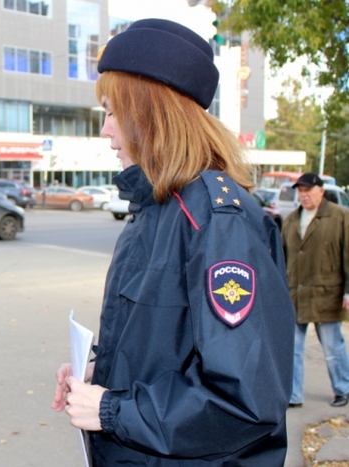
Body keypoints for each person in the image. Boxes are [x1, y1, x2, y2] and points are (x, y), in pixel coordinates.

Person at [51, 19, 295, 466]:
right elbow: (164, 351)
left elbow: (243, 399)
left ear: (150, 112)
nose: (106, 131)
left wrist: (110, 409)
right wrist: (99, 375)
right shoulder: (156, 209)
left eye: (111, 111)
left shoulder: (218, 221)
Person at [281, 173, 349, 408]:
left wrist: (348, 292)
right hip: (296, 295)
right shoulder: (291, 219)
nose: (303, 195)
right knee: (293, 350)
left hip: (326, 294)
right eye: (300, 191)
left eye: (308, 190)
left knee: (332, 347)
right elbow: (282, 257)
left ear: (321, 191)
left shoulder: (340, 217)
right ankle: (294, 394)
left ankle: (343, 389)